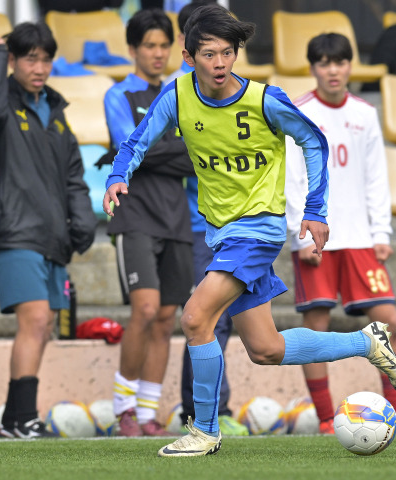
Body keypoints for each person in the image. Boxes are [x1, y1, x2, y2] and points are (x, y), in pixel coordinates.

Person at [103, 4, 396, 457]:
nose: (220, 64)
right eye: (209, 54)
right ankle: (365, 341)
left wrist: (316, 210)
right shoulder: (177, 96)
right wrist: (117, 176)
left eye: (228, 53)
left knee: (193, 317)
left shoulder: (265, 99)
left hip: (258, 230)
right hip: (220, 232)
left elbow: (313, 140)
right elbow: (136, 142)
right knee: (265, 348)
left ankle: (205, 431)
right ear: (188, 56)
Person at [285, 33, 396, 435]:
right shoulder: (297, 111)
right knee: (315, 328)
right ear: (313, 67)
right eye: (323, 62)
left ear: (350, 65)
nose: (332, 70)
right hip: (317, 237)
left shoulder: (366, 114)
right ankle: (323, 418)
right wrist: (299, 236)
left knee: (389, 322)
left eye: (339, 62)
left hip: (361, 240)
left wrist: (381, 232)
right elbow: (292, 179)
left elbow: (376, 179)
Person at [0, 23, 97, 438]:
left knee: (43, 326)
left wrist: (82, 221)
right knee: (36, 318)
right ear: (12, 61)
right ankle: (24, 418)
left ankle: (14, 420)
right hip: (15, 232)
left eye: (45, 59)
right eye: (30, 58)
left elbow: (74, 178)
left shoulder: (57, 115)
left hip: (52, 239)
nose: (39, 67)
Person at [103, 8, 194, 437]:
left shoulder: (180, 94)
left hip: (176, 214)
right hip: (134, 211)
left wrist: (152, 150)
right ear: (133, 50)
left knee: (164, 318)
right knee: (143, 309)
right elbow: (129, 148)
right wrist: (171, 149)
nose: (158, 54)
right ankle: (122, 409)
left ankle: (146, 414)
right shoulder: (117, 95)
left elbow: (195, 154)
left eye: (163, 46)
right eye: (149, 46)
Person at [163, 0, 249, 437]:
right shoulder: (177, 95)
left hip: (242, 225)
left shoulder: (241, 94)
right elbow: (166, 155)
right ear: (189, 47)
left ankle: (210, 411)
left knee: (238, 325)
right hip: (198, 225)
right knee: (203, 316)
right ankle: (200, 413)